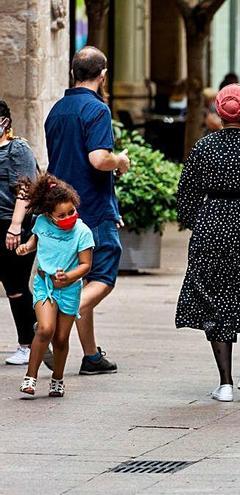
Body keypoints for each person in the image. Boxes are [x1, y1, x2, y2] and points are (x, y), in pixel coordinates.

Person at [175, 84, 240, 402]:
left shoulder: (204, 146)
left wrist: (194, 221)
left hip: (212, 223)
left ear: (219, 112)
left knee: (215, 297)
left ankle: (226, 382)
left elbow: (186, 189)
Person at [44, 46, 128, 375]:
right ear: (103, 75)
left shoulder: (57, 110)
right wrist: (119, 161)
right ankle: (53, 329)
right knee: (103, 276)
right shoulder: (96, 109)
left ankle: (91, 356)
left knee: (82, 280)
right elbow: (98, 158)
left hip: (59, 212)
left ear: (72, 73)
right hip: (91, 208)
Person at [15, 174, 94, 398]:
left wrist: (69, 277)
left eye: (72, 212)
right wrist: (25, 248)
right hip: (44, 284)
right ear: (49, 214)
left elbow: (86, 265)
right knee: (45, 328)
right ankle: (30, 378)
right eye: (62, 215)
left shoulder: (82, 232)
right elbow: (34, 241)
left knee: (60, 338)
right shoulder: (41, 222)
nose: (68, 217)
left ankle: (57, 379)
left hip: (69, 289)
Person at [0, 100, 38, 366]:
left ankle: (30, 343)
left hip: (12, 225)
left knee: (15, 287)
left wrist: (15, 226)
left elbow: (25, 189)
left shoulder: (17, 148)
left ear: (5, 122)